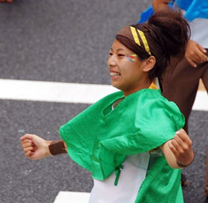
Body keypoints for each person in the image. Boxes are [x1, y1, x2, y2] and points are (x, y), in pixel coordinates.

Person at [21, 11, 194, 203]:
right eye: (111, 54)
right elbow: (94, 138)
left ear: (148, 63)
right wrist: (47, 147)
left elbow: (167, 146)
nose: (110, 62)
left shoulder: (153, 109)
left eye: (121, 56)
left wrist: (182, 157)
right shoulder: (119, 101)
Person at [152, 0, 208, 203]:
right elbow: (160, 3)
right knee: (172, 114)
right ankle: (170, 169)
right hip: (181, 50)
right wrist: (184, 41)